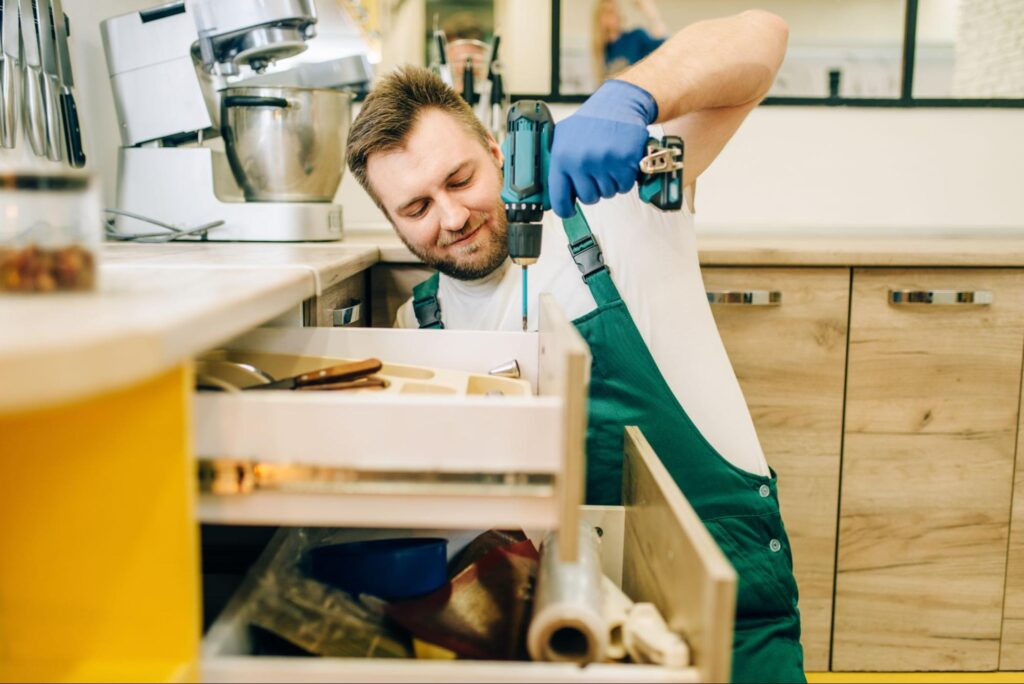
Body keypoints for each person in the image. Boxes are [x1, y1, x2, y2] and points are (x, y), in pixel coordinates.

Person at [345, 10, 801, 683]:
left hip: (722, 596)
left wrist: (632, 96)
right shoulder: (424, 329)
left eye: (460, 179)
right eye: (415, 208)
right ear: (392, 223)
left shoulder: (621, 206)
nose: (451, 218)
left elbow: (764, 38)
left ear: (499, 154)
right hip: (551, 631)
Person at [593, 0, 668, 82]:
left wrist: (649, 11)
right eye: (608, 12)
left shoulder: (636, 37)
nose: (613, 15)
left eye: (614, 11)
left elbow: (664, 46)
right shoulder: (603, 49)